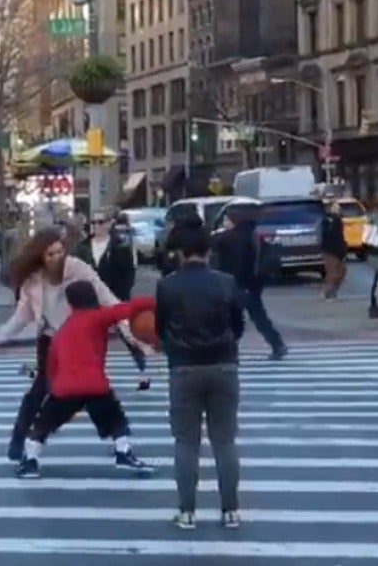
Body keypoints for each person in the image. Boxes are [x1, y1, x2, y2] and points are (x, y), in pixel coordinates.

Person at [0, 228, 143, 462]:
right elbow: (22, 316)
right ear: (41, 256)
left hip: (81, 340)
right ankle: (20, 441)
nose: (57, 258)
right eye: (50, 254)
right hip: (51, 341)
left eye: (60, 251)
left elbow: (108, 300)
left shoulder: (78, 269)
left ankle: (120, 444)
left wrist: (132, 334)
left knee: (92, 392)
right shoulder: (34, 279)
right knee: (41, 391)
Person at [15, 280, 155, 478]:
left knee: (43, 425)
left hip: (65, 387)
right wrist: (157, 301)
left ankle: (30, 461)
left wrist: (54, 387)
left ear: (70, 304)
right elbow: (128, 308)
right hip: (94, 384)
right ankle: (123, 453)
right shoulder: (98, 316)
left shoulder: (62, 330)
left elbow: (52, 364)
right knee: (115, 419)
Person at [156, 225, 244, 530]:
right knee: (224, 441)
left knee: (185, 442)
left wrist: (173, 350)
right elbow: (238, 326)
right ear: (209, 251)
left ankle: (187, 511)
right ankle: (230, 510)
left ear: (180, 253)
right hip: (223, 365)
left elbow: (161, 327)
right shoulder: (227, 283)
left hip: (183, 367)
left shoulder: (167, 286)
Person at [213, 205, 286, 360]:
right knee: (259, 317)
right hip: (253, 284)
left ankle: (230, 350)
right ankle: (277, 344)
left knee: (232, 320)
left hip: (236, 283)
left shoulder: (228, 238)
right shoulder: (254, 235)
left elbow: (227, 262)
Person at [74, 209, 136, 301]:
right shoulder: (83, 246)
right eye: (93, 223)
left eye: (100, 222)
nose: (96, 226)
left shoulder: (121, 246)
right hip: (88, 300)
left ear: (110, 223)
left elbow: (128, 276)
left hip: (114, 299)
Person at [320, 201, 347, 300]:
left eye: (339, 208)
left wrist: (343, 248)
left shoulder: (339, 220)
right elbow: (328, 235)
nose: (338, 210)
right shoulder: (328, 220)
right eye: (335, 208)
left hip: (339, 250)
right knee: (332, 273)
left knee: (341, 272)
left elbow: (340, 236)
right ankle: (326, 293)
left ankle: (333, 291)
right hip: (330, 250)